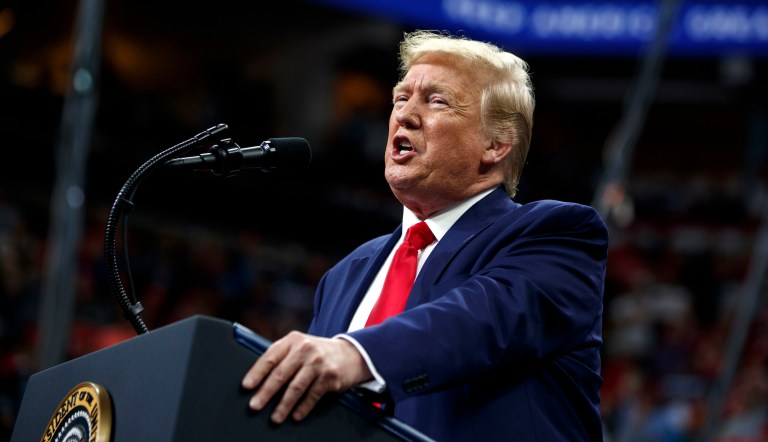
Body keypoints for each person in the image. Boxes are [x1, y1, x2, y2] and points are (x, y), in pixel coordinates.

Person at [241, 29, 608, 441]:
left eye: (437, 101)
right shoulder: (344, 275)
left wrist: (358, 354)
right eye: (401, 98)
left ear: (495, 144)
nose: (405, 115)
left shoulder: (557, 235)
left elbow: (477, 321)